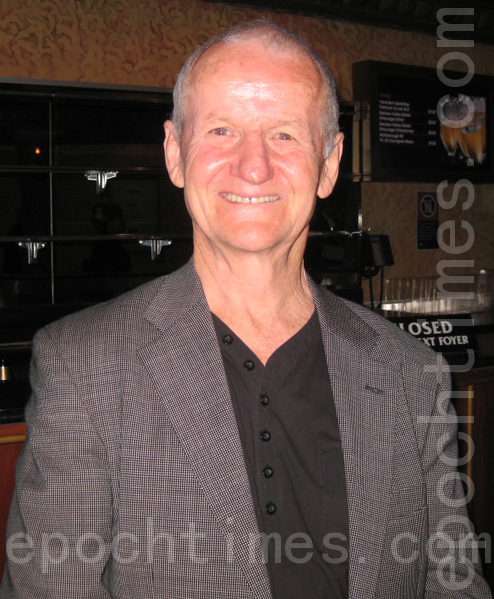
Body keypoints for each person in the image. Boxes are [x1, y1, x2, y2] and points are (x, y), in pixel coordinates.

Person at [1, 20, 491, 599]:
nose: (253, 166)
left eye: (284, 134)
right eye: (222, 130)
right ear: (175, 153)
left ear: (330, 162)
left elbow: (454, 583)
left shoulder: (412, 371)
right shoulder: (82, 366)